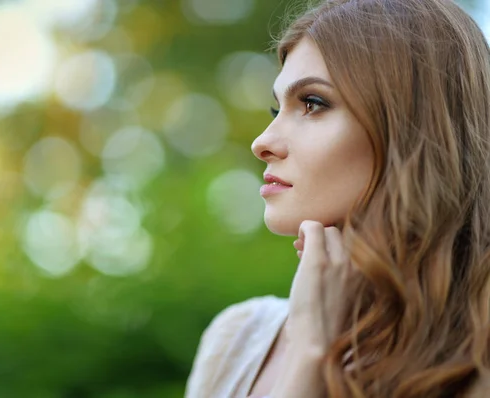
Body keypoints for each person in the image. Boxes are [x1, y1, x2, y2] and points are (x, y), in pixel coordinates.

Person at [185, 0, 490, 396]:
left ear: (409, 127)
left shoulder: (478, 351)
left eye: (312, 104)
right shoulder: (237, 340)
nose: (262, 142)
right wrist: (308, 350)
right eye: (277, 109)